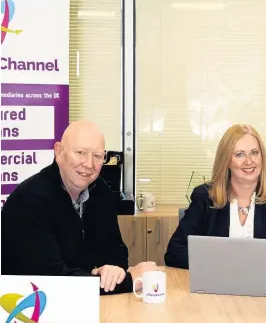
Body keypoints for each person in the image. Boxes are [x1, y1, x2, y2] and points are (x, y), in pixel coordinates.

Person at [1, 120, 157, 295]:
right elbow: (53, 281)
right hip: (28, 309)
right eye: (80, 153)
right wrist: (129, 280)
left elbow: (115, 252)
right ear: (59, 152)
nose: (89, 164)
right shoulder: (29, 200)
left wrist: (112, 271)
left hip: (83, 303)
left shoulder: (100, 190)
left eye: (97, 156)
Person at [165, 124, 266, 270]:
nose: (249, 161)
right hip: (216, 286)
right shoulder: (205, 196)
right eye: (239, 154)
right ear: (227, 161)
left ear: (262, 157)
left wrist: (257, 264)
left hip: (262, 284)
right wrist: (223, 264)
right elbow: (175, 252)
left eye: (254, 152)